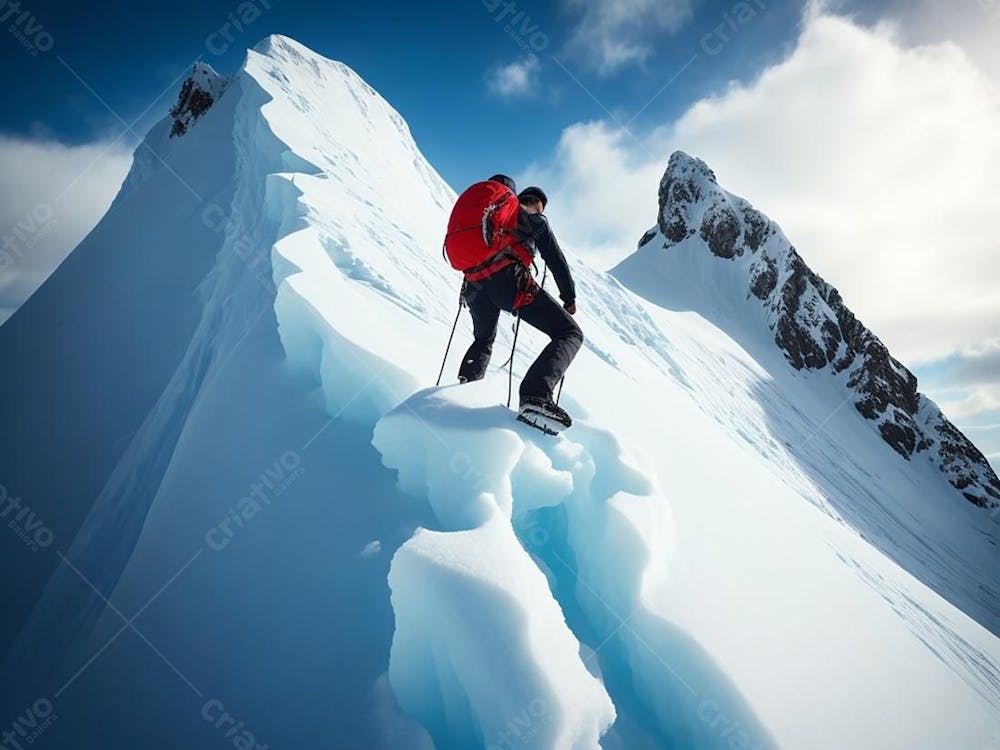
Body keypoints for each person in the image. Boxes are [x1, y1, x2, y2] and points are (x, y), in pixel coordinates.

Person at [457, 175, 582, 428]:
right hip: (509, 283)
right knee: (569, 332)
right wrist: (568, 297)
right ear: (537, 204)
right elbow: (556, 260)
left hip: (475, 287)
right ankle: (535, 394)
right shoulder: (534, 220)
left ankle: (464, 386)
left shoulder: (496, 220)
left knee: (483, 340)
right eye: (541, 207)